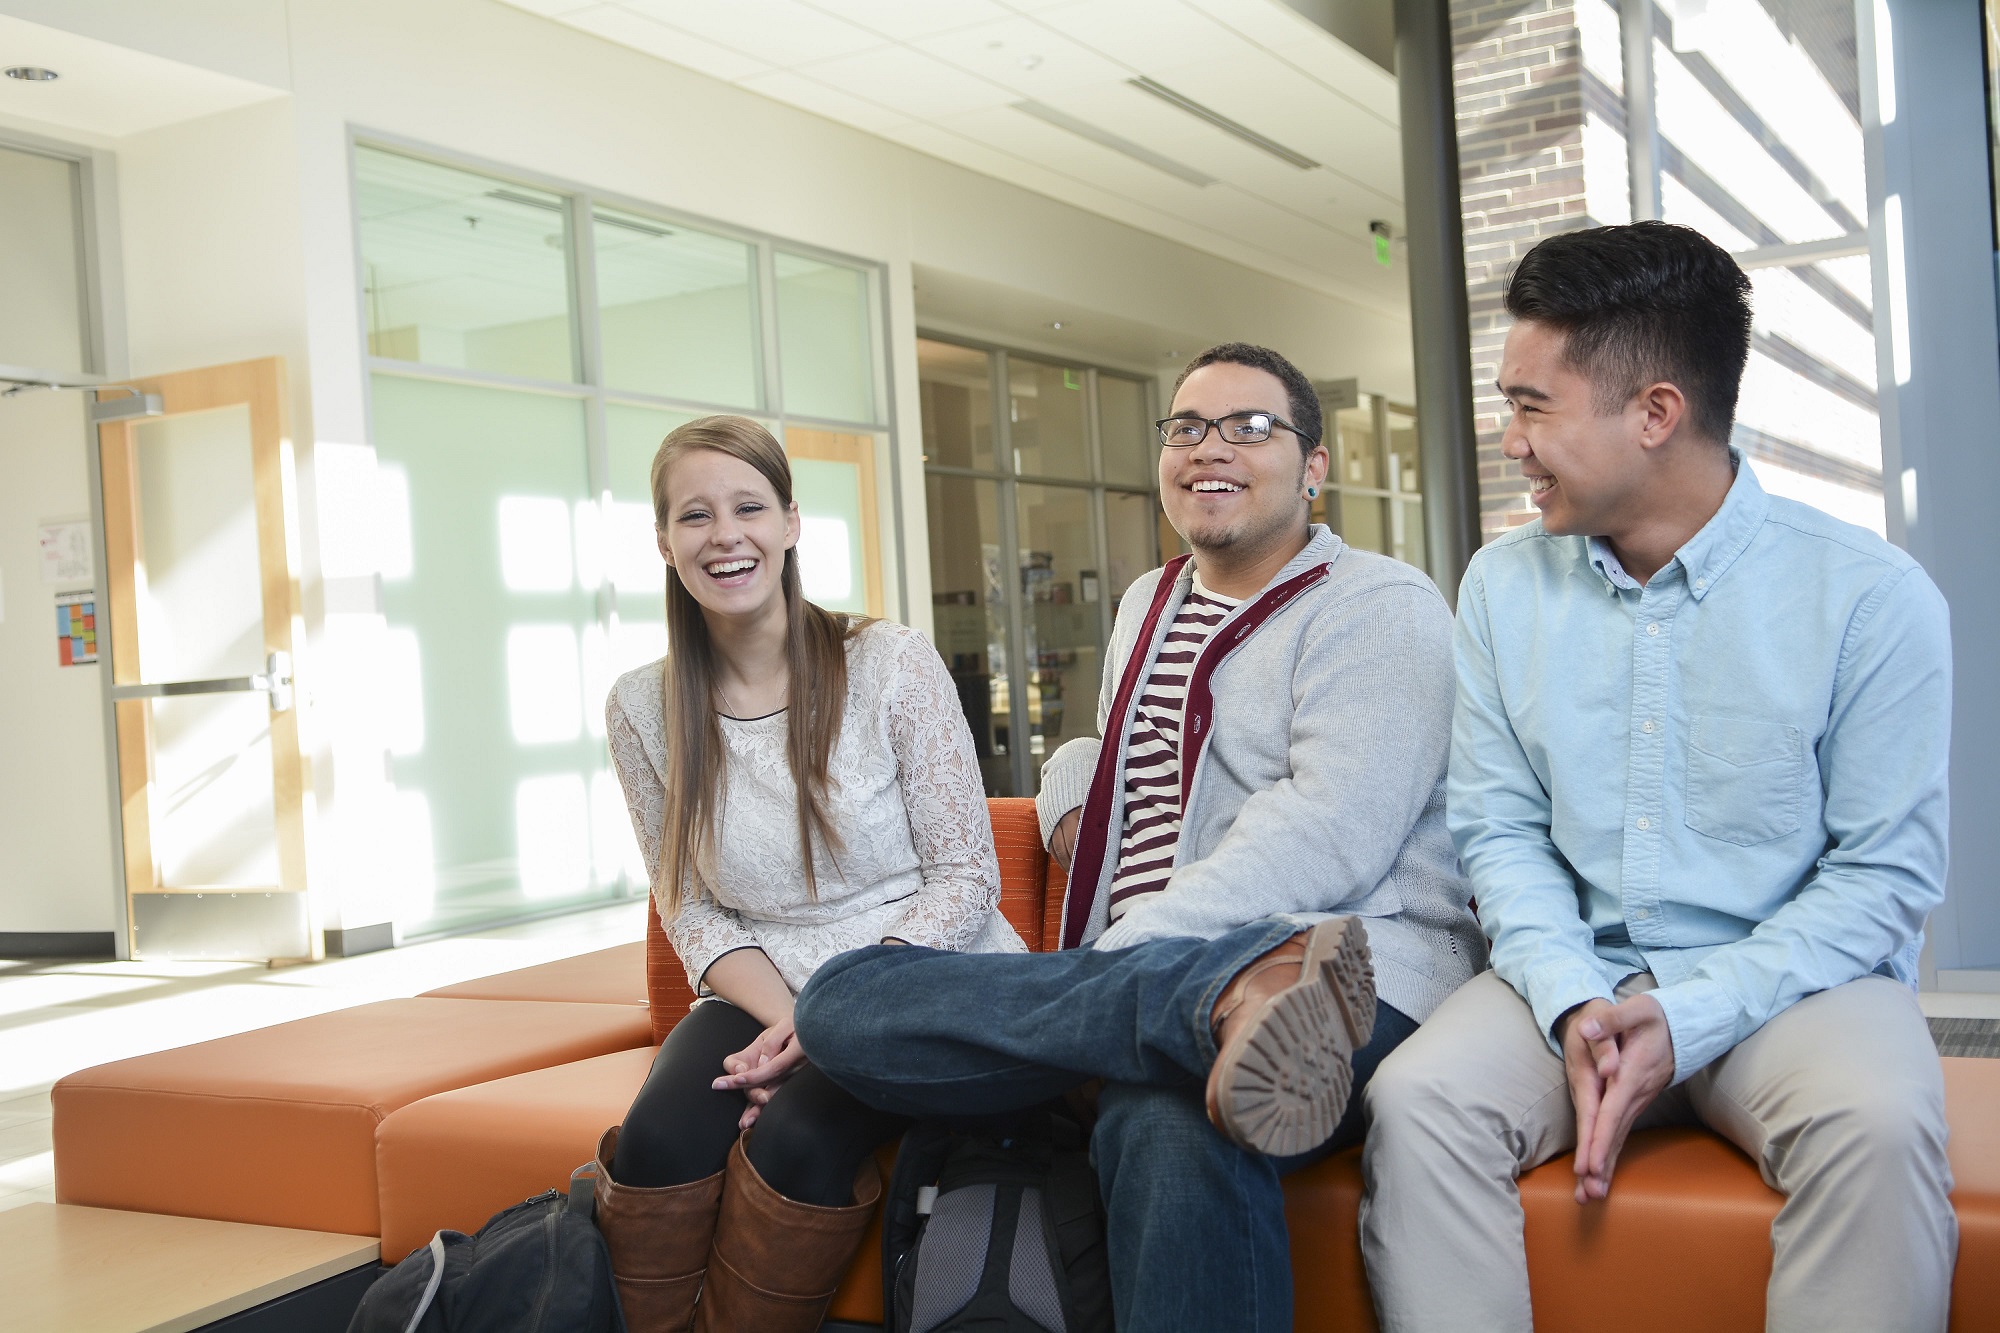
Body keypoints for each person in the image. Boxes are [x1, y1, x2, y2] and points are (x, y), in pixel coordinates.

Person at [788, 343, 1486, 1333]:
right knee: (842, 1006)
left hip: (1353, 970)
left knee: (1171, 1121)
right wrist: (1073, 800)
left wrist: (1120, 956)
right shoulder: (1145, 604)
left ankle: (1214, 1000)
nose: (1211, 448)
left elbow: (1330, 834)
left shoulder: (1380, 609)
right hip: (1149, 979)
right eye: (1187, 426)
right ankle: (1195, 1006)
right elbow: (1115, 748)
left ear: (1313, 466)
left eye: (1251, 426)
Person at [1361, 222, 1957, 1331]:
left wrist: (1689, 1013)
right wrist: (1574, 992)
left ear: (1654, 414)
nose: (1509, 440)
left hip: (1792, 984)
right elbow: (1498, 831)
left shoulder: (1873, 599)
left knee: (1873, 1124)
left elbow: (1880, 878)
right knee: (1417, 1099)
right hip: (1574, 974)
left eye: (1531, 406)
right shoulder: (1499, 586)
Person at [595, 415, 1026, 1333]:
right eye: (695, 515)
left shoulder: (891, 662)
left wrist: (836, 1015)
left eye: (749, 506)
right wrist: (796, 1022)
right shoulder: (641, 706)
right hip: (769, 986)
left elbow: (965, 879)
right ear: (664, 542)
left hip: (921, 969)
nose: (725, 535)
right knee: (658, 1137)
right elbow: (693, 907)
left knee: (793, 1139)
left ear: (791, 521)